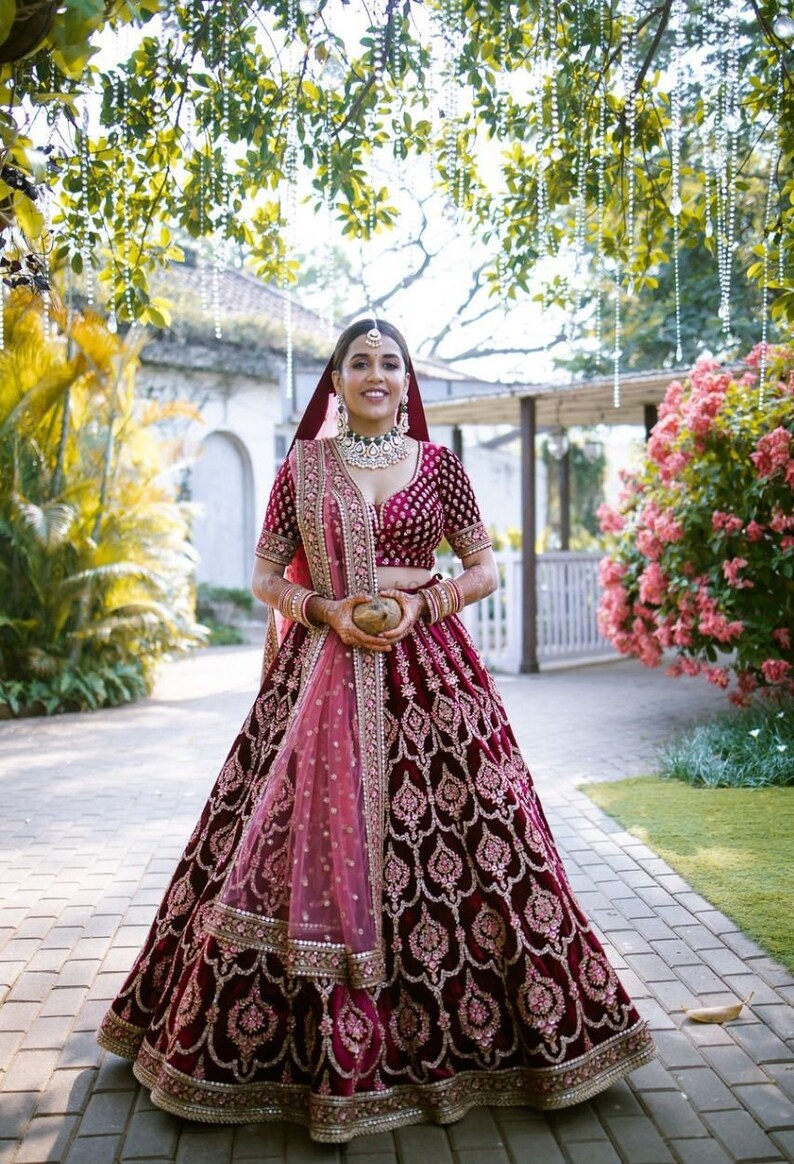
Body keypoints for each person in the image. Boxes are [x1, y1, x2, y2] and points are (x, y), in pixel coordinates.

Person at [98, 318, 655, 1141]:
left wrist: (419, 604)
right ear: (336, 378)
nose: (375, 374)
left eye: (390, 363)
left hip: (430, 676)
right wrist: (322, 607)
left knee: (480, 841)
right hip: (318, 674)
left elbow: (483, 567)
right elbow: (261, 573)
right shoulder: (302, 468)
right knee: (274, 834)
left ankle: (504, 1048)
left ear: (406, 380)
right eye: (359, 362)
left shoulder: (441, 468)